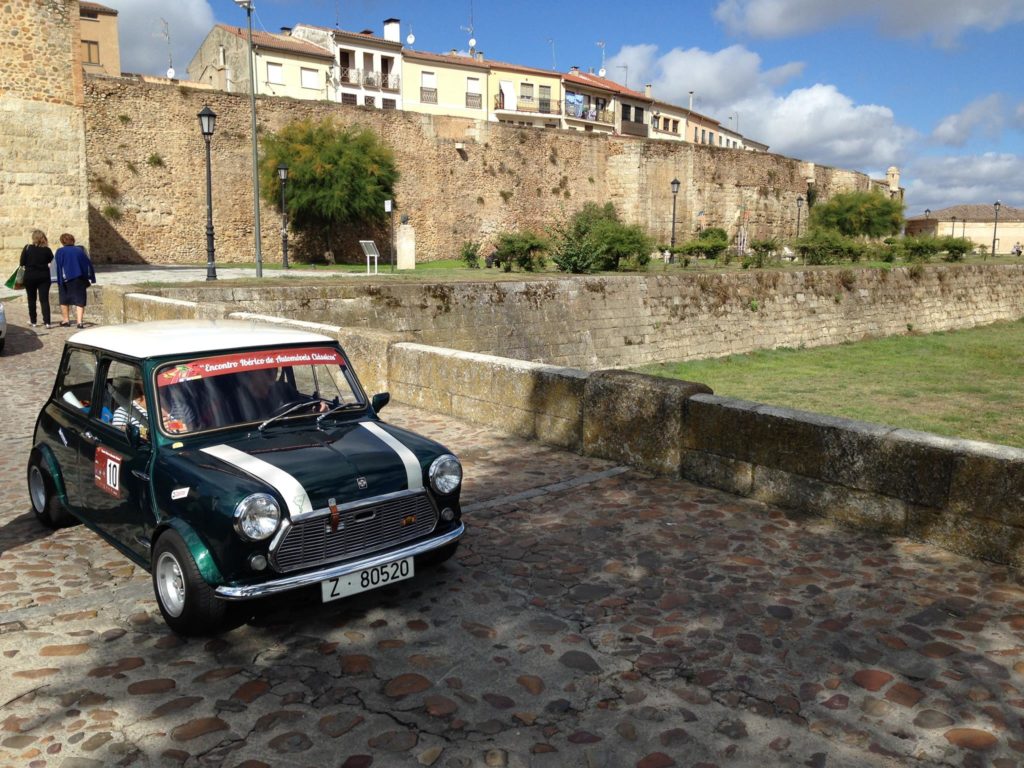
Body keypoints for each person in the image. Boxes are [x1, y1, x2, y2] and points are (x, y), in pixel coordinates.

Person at [54, 233, 96, 329]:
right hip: (80, 277)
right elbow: (88, 263)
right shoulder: (79, 250)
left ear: (62, 241)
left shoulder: (60, 251)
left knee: (64, 299)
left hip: (66, 279)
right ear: (73, 240)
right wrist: (90, 277)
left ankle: (66, 320)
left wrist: (60, 279)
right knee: (80, 300)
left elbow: (59, 265)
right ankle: (79, 322)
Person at [19, 230, 54, 328]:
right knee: (44, 299)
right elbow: (51, 262)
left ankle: (33, 321)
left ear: (33, 238)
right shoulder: (47, 250)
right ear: (43, 238)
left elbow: (21, 263)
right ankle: (47, 322)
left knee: (31, 299)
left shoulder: (27, 248)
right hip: (44, 277)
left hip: (30, 276)